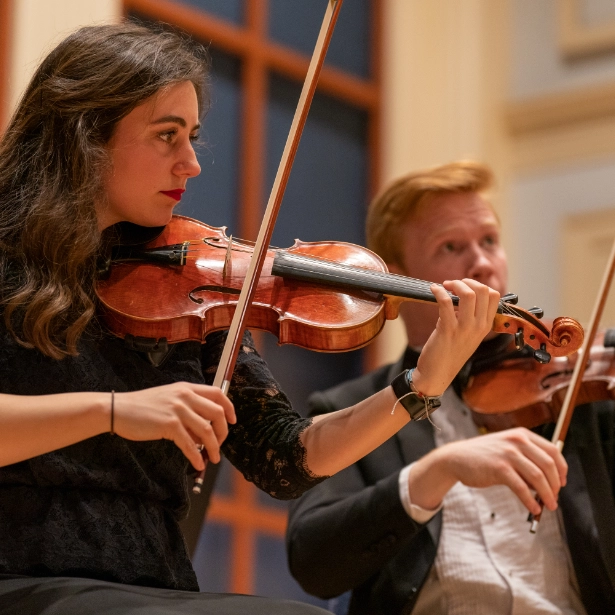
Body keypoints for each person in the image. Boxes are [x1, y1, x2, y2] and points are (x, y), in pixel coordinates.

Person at [0, 23, 503, 615]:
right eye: (167, 136)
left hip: (152, 588)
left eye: (192, 136)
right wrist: (114, 411)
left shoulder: (187, 289)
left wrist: (420, 386)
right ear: (86, 134)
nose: (191, 163)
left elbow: (289, 460)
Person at [286, 161, 615, 615]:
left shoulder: (574, 393)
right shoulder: (349, 410)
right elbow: (313, 562)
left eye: (489, 241)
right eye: (451, 246)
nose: (482, 261)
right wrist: (435, 471)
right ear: (397, 282)